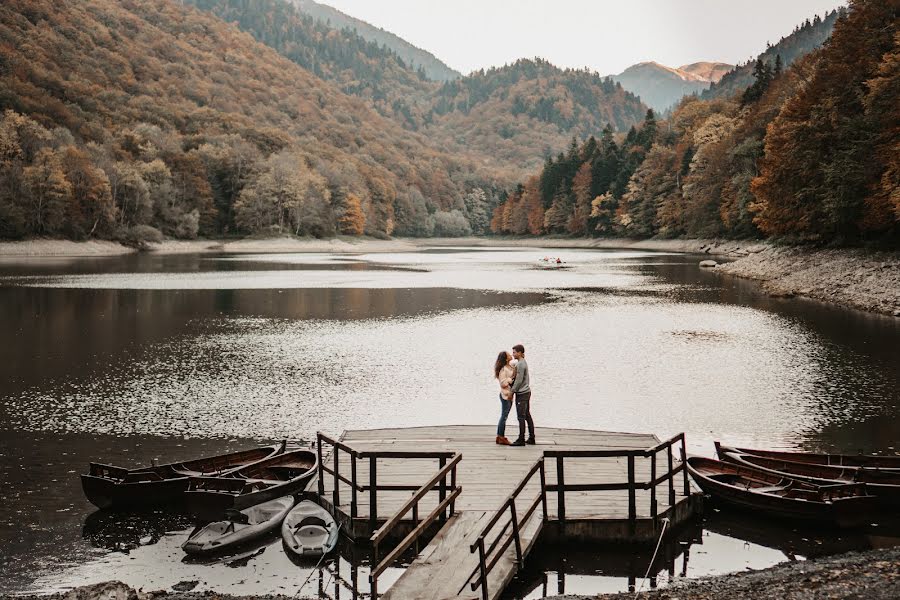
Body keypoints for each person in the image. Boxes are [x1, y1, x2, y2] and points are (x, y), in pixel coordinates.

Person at [509, 344, 535, 446]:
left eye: (514, 352)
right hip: (526, 392)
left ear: (520, 352)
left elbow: (519, 381)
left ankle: (521, 439)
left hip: (522, 393)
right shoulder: (522, 363)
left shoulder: (520, 364)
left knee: (521, 417)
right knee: (527, 415)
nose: (513, 354)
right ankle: (531, 437)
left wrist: (512, 392)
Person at [493, 351, 515, 445]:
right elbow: (503, 383)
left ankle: (499, 436)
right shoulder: (503, 369)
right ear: (506, 358)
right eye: (509, 354)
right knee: (504, 416)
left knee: (504, 416)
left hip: (509, 395)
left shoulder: (509, 367)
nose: (511, 355)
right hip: (505, 395)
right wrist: (510, 380)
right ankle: (501, 437)